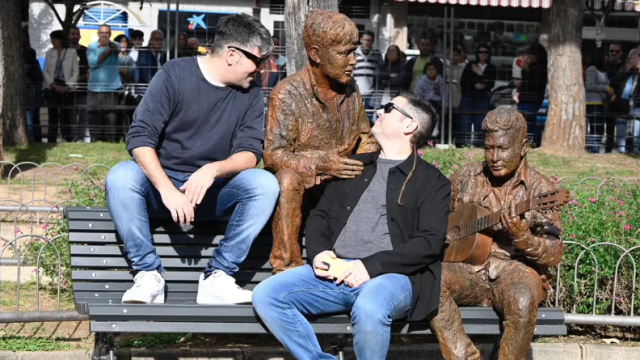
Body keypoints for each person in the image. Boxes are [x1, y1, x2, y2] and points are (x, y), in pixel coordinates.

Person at [254, 93, 450, 360]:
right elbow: (320, 216)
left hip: (391, 278)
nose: (379, 110)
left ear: (409, 126)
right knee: (268, 294)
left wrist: (369, 267)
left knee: (370, 307)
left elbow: (428, 244)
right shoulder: (355, 166)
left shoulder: (432, 181)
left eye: (390, 108)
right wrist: (320, 252)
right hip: (335, 273)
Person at [105, 13, 279, 305]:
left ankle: (219, 276)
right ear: (232, 55)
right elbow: (140, 138)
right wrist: (167, 190)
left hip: (213, 191)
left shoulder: (251, 92)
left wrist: (213, 170)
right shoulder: (174, 74)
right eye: (258, 61)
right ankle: (148, 275)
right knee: (121, 177)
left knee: (264, 184)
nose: (261, 70)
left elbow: (250, 153)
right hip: (163, 187)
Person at [430, 106, 564, 360]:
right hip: (467, 268)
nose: (494, 157)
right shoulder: (467, 176)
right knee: (431, 280)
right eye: (489, 148)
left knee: (523, 301)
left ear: (523, 147)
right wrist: (444, 234)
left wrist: (523, 236)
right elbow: (435, 212)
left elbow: (554, 253)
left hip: (515, 271)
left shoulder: (541, 189)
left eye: (503, 149)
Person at [263, 10, 379, 273]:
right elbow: (273, 155)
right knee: (287, 180)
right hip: (304, 185)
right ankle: (287, 267)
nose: (354, 61)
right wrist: (321, 163)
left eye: (355, 52)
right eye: (344, 53)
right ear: (316, 54)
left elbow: (365, 139)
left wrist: (369, 157)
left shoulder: (351, 91)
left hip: (340, 184)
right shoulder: (288, 93)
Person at [87, 24, 123, 142]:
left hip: (111, 88)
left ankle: (110, 141)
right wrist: (107, 52)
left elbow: (118, 48)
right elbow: (93, 64)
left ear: (110, 34)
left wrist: (109, 46)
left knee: (111, 117)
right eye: (102, 32)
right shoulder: (91, 47)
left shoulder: (115, 45)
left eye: (107, 33)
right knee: (94, 116)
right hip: (94, 88)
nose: (104, 35)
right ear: (98, 34)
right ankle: (95, 140)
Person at [43, 29, 79, 143]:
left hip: (67, 86)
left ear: (61, 40)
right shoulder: (49, 52)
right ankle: (52, 138)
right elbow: (46, 71)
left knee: (66, 115)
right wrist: (52, 84)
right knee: (52, 114)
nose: (53, 41)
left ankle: (66, 138)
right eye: (52, 39)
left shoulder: (71, 52)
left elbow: (76, 71)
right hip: (53, 86)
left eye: (55, 39)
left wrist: (68, 86)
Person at [459, 43, 496, 147]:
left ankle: (480, 144)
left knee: (481, 121)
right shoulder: (470, 65)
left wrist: (480, 75)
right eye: (480, 52)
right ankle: (463, 144)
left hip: (483, 98)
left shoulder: (491, 67)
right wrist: (474, 85)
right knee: (466, 120)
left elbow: (491, 83)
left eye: (485, 52)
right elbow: (463, 81)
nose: (483, 54)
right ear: (477, 54)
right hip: (469, 97)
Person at [514, 42, 548, 147]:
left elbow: (531, 83)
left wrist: (525, 69)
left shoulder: (540, 69)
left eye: (531, 55)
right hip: (525, 100)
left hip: (532, 100)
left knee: (528, 123)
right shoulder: (532, 68)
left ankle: (529, 143)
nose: (528, 57)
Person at [585, 47, 614, 153]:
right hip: (593, 103)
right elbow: (590, 85)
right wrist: (606, 88)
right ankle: (593, 150)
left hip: (601, 103)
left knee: (599, 129)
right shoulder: (592, 69)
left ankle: (594, 149)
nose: (606, 58)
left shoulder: (602, 70)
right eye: (604, 56)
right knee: (596, 128)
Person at [612, 48, 640, 154]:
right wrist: (629, 67)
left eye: (637, 55)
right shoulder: (624, 68)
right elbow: (616, 81)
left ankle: (636, 151)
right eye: (632, 55)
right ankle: (621, 151)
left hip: (636, 103)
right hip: (623, 101)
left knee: (636, 128)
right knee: (621, 125)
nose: (634, 57)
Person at [68, 26, 90, 142]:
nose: (75, 36)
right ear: (68, 36)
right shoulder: (65, 50)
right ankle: (71, 138)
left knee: (83, 116)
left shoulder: (85, 51)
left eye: (77, 34)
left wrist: (81, 79)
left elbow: (88, 69)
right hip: (68, 89)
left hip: (82, 88)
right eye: (73, 34)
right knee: (70, 116)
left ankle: (83, 138)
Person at [354, 30, 383, 114]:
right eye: (365, 40)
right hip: (355, 92)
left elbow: (381, 71)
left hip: (371, 93)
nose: (367, 42)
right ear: (361, 40)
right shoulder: (354, 53)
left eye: (369, 40)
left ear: (373, 41)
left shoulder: (377, 54)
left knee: (368, 117)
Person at [114, 34, 136, 140]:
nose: (123, 44)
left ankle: (125, 137)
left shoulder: (129, 58)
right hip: (112, 90)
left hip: (125, 90)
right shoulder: (112, 57)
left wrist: (117, 69)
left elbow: (131, 72)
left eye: (125, 42)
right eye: (120, 42)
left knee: (125, 115)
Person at [23, 29, 43, 143]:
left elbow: (34, 73)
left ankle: (32, 139)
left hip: (30, 86)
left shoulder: (29, 52)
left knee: (31, 115)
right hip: (29, 86)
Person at [373, 45, 405, 111]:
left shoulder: (402, 67)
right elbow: (376, 76)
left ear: (398, 54)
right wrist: (389, 75)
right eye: (389, 51)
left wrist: (385, 81)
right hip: (380, 100)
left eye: (393, 51)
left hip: (395, 99)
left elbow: (401, 79)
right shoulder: (381, 66)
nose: (390, 53)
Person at [137, 29, 165, 95]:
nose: (159, 42)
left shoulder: (162, 54)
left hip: (159, 90)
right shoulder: (144, 52)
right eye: (156, 39)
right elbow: (145, 74)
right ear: (151, 40)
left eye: (161, 40)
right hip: (145, 91)